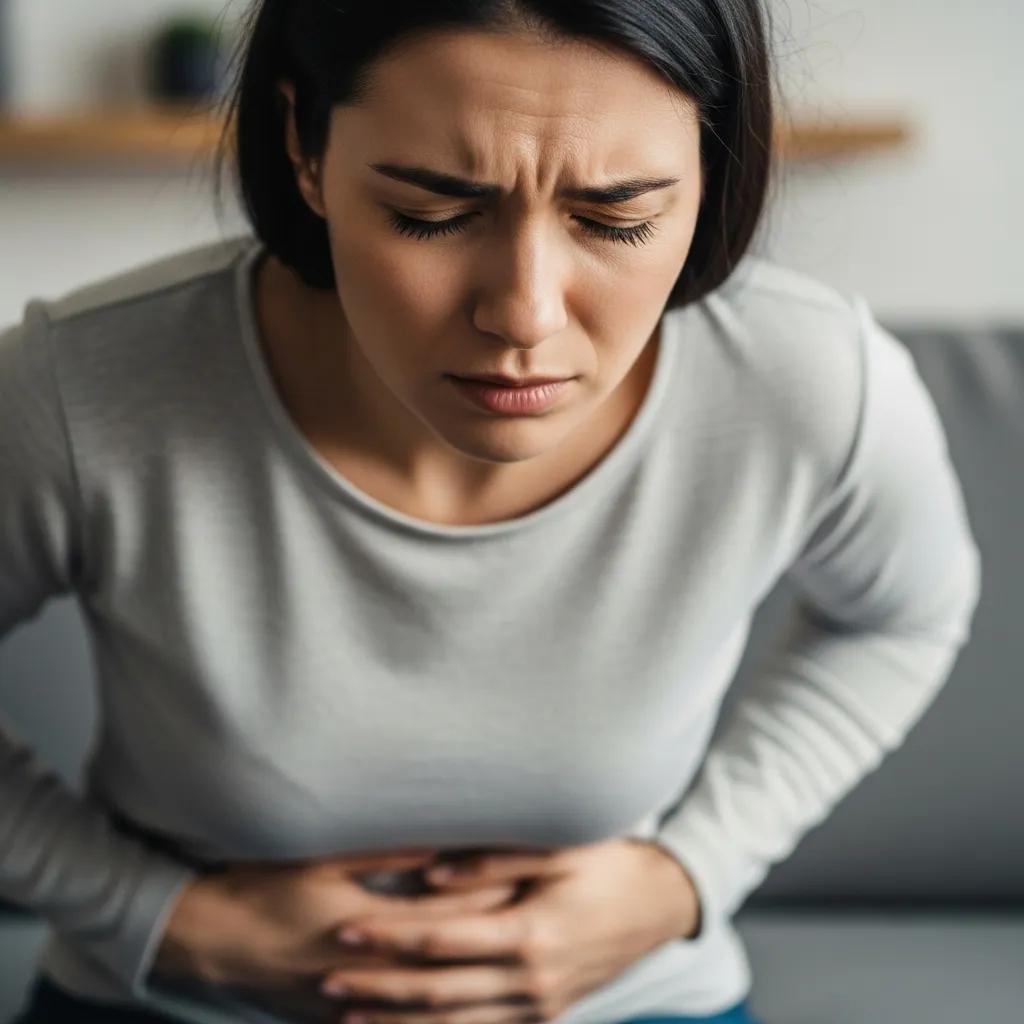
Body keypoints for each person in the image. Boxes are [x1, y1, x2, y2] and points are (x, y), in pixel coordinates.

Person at [0, 0, 982, 1022]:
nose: (524, 312)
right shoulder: (82, 391)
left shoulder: (810, 384)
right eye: (432, 212)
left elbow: (907, 614)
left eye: (617, 218)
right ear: (303, 145)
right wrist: (167, 917)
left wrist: (684, 875)